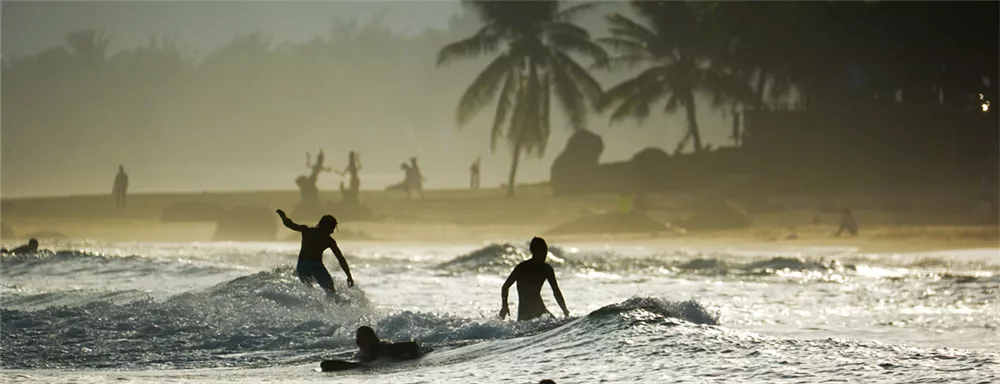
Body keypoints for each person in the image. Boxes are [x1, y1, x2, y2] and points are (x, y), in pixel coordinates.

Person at [275, 209, 355, 295]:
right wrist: (349, 276)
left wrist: (283, 216)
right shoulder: (328, 240)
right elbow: (340, 259)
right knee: (331, 292)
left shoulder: (307, 231)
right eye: (331, 228)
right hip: (316, 266)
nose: (332, 231)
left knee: (309, 293)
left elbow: (290, 224)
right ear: (326, 226)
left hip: (303, 266)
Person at [500, 237, 570, 321]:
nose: (545, 254)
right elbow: (505, 286)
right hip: (526, 312)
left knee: (558, 328)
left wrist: (565, 310)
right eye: (542, 251)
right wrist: (504, 306)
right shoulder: (522, 268)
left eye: (546, 251)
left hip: (539, 310)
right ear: (534, 251)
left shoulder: (546, 269)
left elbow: (556, 291)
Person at [319, 326, 423, 372]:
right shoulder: (361, 353)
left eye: (361, 338)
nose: (358, 341)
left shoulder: (383, 348)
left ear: (371, 338)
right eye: (357, 337)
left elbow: (413, 345)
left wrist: (412, 359)